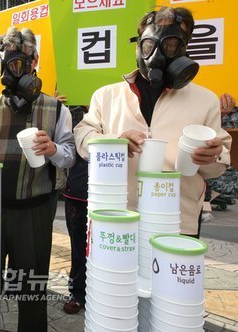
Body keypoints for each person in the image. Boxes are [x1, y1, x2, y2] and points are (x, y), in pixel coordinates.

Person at [74, 7, 232, 237]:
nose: (157, 54)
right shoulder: (106, 95)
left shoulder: (205, 100)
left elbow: (217, 165)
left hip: (177, 221)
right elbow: (83, 136)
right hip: (117, 219)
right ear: (138, 45)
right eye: (150, 44)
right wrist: (113, 143)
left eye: (170, 44)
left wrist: (212, 156)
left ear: (185, 47)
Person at [0, 27, 75, 332]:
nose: (15, 70)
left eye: (22, 63)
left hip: (35, 211)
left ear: (35, 61)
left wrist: (53, 149)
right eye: (9, 63)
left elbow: (70, 155)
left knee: (32, 287)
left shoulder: (57, 109)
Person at [62, 106, 89, 315]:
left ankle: (105, 292)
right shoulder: (70, 110)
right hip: (78, 192)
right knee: (79, 247)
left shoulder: (121, 106)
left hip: (115, 195)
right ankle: (77, 292)